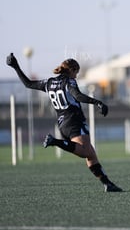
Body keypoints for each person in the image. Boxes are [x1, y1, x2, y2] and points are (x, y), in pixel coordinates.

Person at [6, 53, 122, 192]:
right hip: (74, 120)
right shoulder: (69, 81)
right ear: (71, 70)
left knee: (90, 153)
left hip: (62, 124)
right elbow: (77, 95)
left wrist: (15, 66)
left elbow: (28, 84)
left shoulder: (49, 82)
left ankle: (108, 184)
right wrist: (97, 102)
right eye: (76, 72)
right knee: (85, 152)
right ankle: (55, 141)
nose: (76, 76)